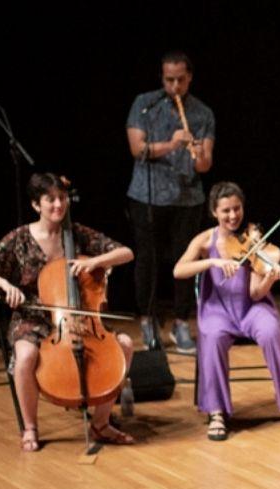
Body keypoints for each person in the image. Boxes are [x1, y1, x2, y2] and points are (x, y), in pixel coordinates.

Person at [0, 174, 136, 452]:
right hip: (33, 317)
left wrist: (95, 261)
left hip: (80, 317)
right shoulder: (20, 238)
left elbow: (126, 253)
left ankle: (101, 422)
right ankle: (30, 428)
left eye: (62, 198)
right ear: (37, 205)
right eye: (51, 200)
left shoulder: (78, 234)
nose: (59, 204)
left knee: (126, 346)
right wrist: (5, 285)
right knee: (26, 357)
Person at [172, 182, 280, 441]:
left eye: (237, 209)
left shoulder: (254, 240)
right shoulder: (205, 240)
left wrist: (269, 279)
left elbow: (256, 293)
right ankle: (217, 410)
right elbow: (178, 270)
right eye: (226, 211)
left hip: (252, 307)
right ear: (214, 212)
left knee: (272, 331)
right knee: (211, 337)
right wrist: (212, 261)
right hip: (217, 309)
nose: (233, 216)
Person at [125, 50, 214, 353]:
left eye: (180, 79)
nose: (174, 86)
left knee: (185, 262)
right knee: (147, 261)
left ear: (189, 77)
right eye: (168, 80)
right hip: (147, 195)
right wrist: (173, 144)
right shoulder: (144, 105)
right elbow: (137, 148)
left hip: (188, 198)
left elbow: (204, 166)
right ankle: (148, 321)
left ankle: (181, 323)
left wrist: (199, 152)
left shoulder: (202, 113)